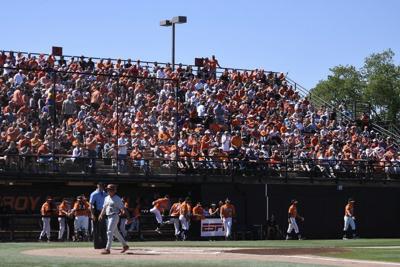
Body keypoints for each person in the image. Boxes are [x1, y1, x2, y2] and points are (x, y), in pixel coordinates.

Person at [99, 184, 129, 255]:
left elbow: (122, 207)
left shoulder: (117, 198)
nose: (108, 191)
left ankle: (107, 249)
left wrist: (123, 211)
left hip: (114, 216)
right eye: (108, 189)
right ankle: (125, 245)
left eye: (110, 189)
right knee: (116, 233)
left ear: (114, 191)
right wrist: (101, 214)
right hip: (108, 217)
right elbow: (104, 207)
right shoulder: (106, 198)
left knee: (109, 232)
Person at [89, 182, 107, 249]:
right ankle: (97, 245)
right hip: (96, 212)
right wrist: (92, 214)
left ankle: (104, 245)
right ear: (97, 186)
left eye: (102, 186)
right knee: (96, 229)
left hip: (103, 212)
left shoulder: (105, 194)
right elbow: (90, 205)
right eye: (100, 186)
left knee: (103, 229)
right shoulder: (94, 194)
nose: (101, 187)